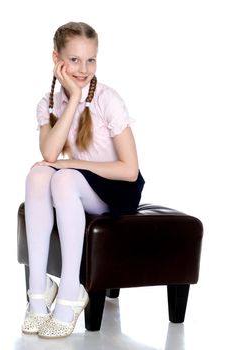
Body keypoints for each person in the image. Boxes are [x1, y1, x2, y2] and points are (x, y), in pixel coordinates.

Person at [21, 21, 145, 338]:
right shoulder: (49, 104)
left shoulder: (108, 100)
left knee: (62, 179)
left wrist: (71, 164)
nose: (83, 68)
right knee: (38, 175)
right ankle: (37, 297)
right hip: (80, 184)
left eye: (90, 60)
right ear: (57, 59)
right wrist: (73, 98)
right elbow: (49, 155)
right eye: (74, 59)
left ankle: (70, 292)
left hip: (118, 190)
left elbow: (129, 170)